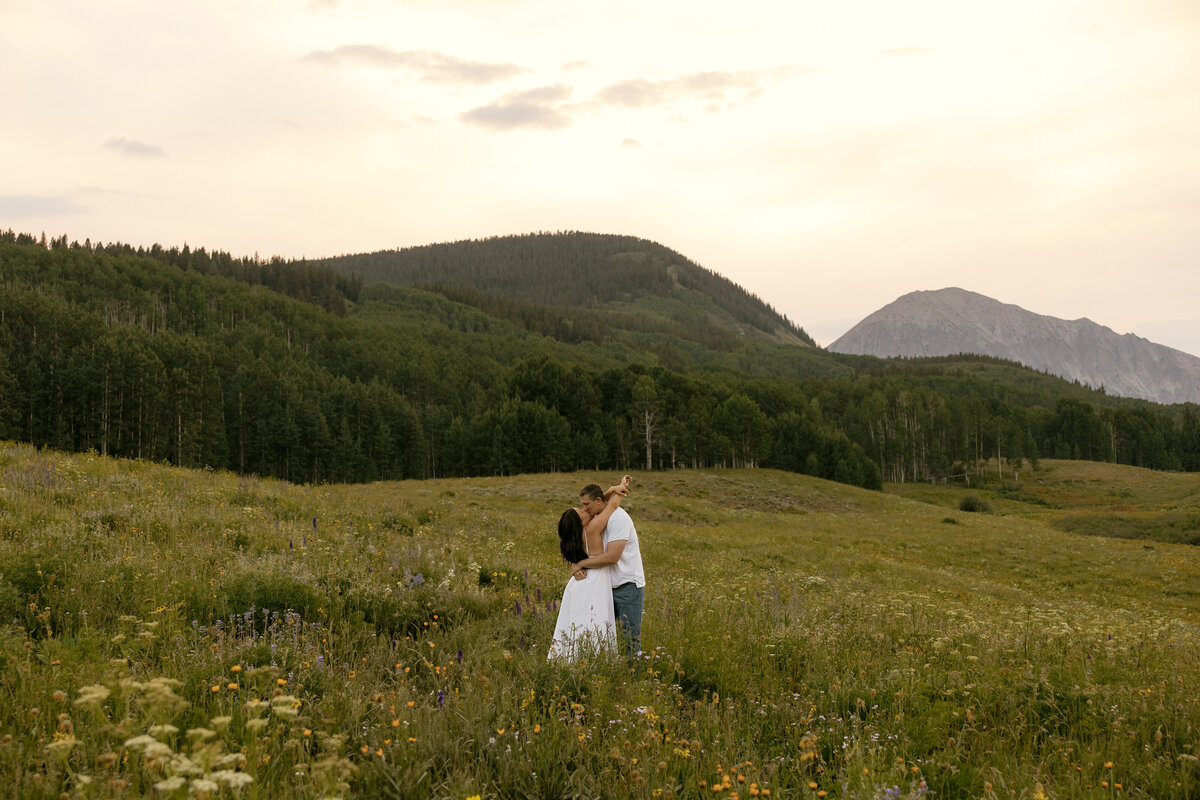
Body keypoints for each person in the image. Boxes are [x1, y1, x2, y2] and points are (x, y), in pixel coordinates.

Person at [547, 476, 631, 661]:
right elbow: (611, 506)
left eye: (584, 506)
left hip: (579, 584)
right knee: (595, 624)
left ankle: (570, 660)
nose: (585, 509)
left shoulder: (577, 539)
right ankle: (593, 662)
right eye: (581, 511)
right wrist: (621, 488)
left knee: (576, 625)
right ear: (581, 522)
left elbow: (598, 502)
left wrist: (608, 490)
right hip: (593, 582)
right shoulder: (592, 528)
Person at [570, 479, 644, 661]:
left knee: (629, 638)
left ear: (597, 501)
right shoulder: (597, 518)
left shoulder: (619, 519)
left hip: (627, 586)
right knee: (604, 637)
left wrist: (581, 564)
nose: (584, 509)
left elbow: (612, 557)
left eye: (586, 504)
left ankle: (632, 681)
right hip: (605, 587)